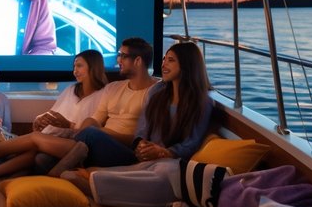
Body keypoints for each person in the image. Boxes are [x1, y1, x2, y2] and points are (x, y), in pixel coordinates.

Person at [58, 40, 214, 182]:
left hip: (164, 160)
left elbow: (191, 143)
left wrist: (164, 152)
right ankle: (60, 172)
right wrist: (140, 144)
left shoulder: (202, 102)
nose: (164, 65)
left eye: (170, 60)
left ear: (187, 65)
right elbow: (142, 129)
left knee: (90, 135)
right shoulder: (157, 92)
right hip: (141, 153)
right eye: (164, 59)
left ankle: (58, 175)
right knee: (43, 158)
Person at [0, 49, 108, 180]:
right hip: (55, 136)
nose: (75, 71)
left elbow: (92, 131)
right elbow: (53, 113)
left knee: (35, 144)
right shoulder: (71, 89)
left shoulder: (103, 95)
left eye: (79, 66)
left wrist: (68, 125)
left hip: (75, 144)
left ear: (93, 67)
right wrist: (41, 119)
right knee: (34, 151)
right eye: (74, 66)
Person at [48, 37, 156, 175]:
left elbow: (142, 139)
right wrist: (87, 126)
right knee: (43, 159)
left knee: (90, 134)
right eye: (118, 55)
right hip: (98, 142)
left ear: (138, 61)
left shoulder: (155, 91)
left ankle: (55, 175)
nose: (118, 60)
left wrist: (103, 132)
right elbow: (95, 119)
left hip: (126, 151)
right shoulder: (113, 87)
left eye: (123, 56)